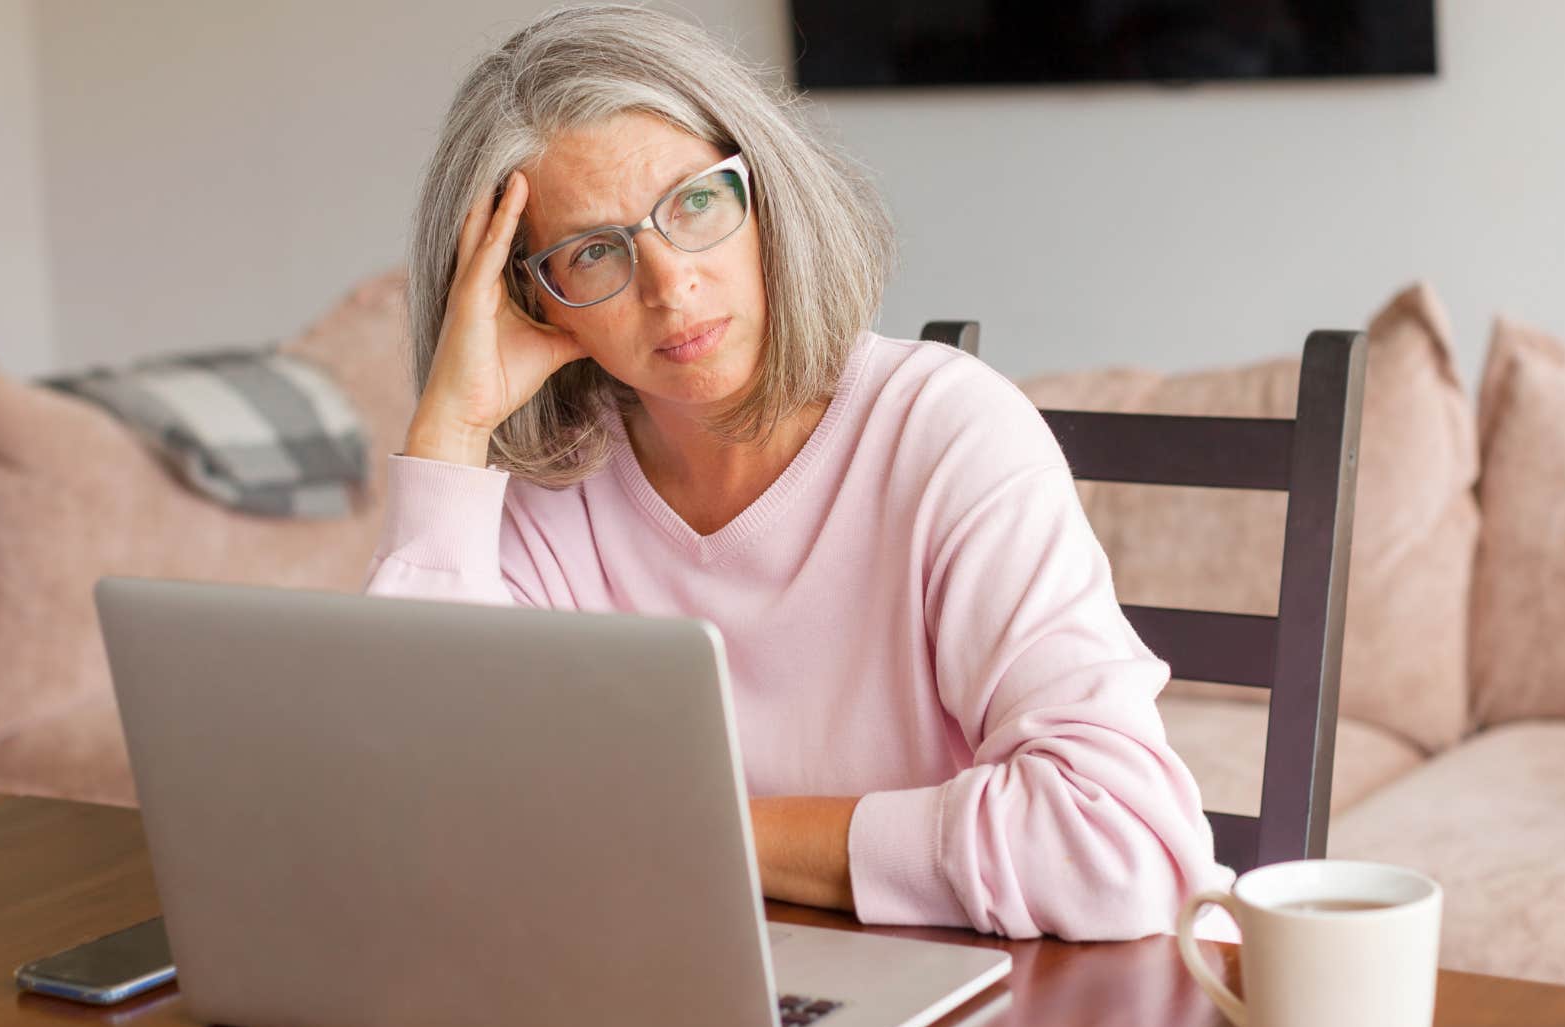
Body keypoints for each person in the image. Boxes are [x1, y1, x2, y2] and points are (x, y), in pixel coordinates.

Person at [364, 4, 1230, 941]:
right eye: (592, 253)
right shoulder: (545, 501)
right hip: (695, 981)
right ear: (533, 298)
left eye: (695, 204)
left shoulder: (945, 434)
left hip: (1002, 996)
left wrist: (698, 834)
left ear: (764, 195)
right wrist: (451, 427)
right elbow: (427, 827)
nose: (670, 287)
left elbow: (1119, 849)